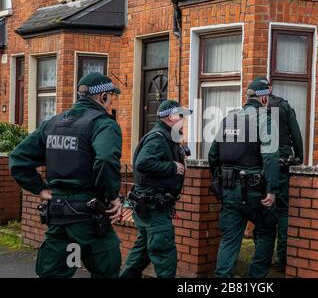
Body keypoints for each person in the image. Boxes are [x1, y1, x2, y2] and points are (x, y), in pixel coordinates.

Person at [9, 72, 123, 278]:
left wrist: (40, 189)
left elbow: (18, 159)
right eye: (111, 97)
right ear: (103, 96)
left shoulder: (53, 123)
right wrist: (113, 195)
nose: (111, 102)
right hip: (88, 214)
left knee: (53, 272)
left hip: (58, 213)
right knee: (107, 266)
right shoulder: (104, 124)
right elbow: (106, 159)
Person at [209, 76, 280, 278]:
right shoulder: (265, 119)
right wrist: (272, 190)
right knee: (266, 232)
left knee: (230, 239)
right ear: (264, 98)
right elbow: (271, 157)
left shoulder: (228, 119)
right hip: (255, 190)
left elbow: (213, 155)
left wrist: (219, 180)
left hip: (229, 188)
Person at [120, 100, 192, 278]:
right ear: (170, 117)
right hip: (154, 208)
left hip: (151, 206)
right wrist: (172, 167)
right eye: (180, 116)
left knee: (142, 252)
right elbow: (143, 162)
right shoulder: (157, 138)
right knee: (165, 255)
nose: (183, 120)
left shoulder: (166, 136)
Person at [267, 78, 304, 270]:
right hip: (282, 163)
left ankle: (263, 257)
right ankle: (282, 259)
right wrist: (299, 158)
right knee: (283, 211)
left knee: (263, 210)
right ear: (270, 88)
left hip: (262, 164)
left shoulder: (251, 109)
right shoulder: (283, 106)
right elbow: (296, 134)